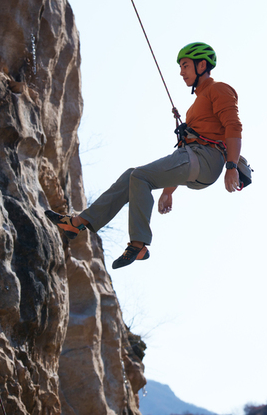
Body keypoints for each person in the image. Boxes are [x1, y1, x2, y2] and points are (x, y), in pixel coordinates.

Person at [45, 42, 243, 269]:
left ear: (202, 65)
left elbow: (234, 126)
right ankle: (79, 222)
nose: (181, 72)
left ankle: (138, 245)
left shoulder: (219, 89)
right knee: (132, 176)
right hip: (195, 161)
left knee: (140, 177)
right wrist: (168, 192)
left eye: (185, 65)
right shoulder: (197, 103)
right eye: (180, 66)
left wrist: (231, 166)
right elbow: (184, 153)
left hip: (208, 160)